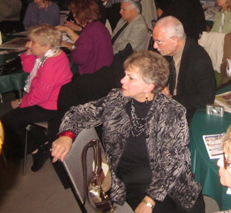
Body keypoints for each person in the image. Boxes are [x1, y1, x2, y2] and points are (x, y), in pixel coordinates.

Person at [51, 51, 205, 212]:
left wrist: (150, 200)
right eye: (125, 75)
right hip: (133, 178)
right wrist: (67, 135)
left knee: (193, 207)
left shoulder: (172, 111)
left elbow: (172, 162)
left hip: (170, 175)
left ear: (149, 86)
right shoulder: (117, 99)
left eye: (131, 78)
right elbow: (80, 112)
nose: (122, 80)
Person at [1, 25, 72, 171]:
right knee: (14, 117)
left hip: (51, 106)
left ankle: (36, 149)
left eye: (33, 43)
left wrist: (22, 102)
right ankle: (38, 142)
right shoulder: (48, 55)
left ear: (46, 45)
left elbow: (40, 95)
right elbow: (28, 69)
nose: (29, 44)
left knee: (7, 122)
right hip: (47, 100)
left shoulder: (51, 64)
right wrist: (29, 52)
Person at [153, 16, 216, 123]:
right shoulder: (166, 53)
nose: (155, 46)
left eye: (158, 41)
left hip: (188, 115)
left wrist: (172, 98)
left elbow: (206, 98)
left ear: (175, 40)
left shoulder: (199, 59)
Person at [57, 0, 113, 75]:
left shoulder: (89, 31)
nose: (74, 16)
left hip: (92, 74)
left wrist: (72, 47)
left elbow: (79, 59)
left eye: (75, 13)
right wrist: (68, 32)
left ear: (81, 14)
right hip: (102, 70)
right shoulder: (98, 26)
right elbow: (85, 45)